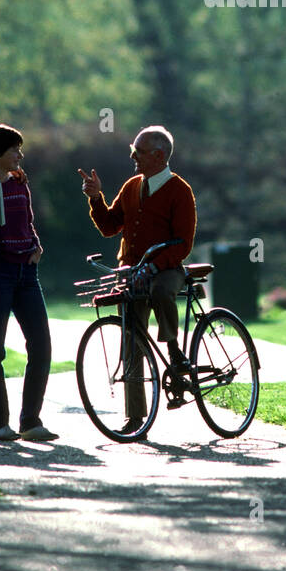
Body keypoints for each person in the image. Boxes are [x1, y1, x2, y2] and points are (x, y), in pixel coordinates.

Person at [78, 126, 196, 431]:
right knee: (130, 339)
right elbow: (108, 226)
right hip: (131, 272)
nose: (132, 156)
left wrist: (155, 266)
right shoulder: (131, 186)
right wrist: (95, 198)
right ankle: (135, 417)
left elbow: (183, 243)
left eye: (138, 151)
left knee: (160, 291)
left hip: (167, 270)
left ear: (158, 155)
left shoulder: (179, 191)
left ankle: (174, 351)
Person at [0, 124, 58, 443]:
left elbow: (29, 220)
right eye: (14, 150)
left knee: (41, 344)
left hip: (27, 273)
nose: (20, 155)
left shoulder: (20, 182)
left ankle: (30, 421)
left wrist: (36, 246)